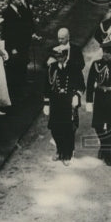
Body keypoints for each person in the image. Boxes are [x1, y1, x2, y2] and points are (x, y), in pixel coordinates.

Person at [43, 28, 86, 165]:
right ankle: (59, 150)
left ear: (66, 56)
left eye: (61, 57)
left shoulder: (73, 67)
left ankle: (67, 153)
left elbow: (81, 84)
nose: (59, 60)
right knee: (55, 128)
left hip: (68, 101)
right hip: (56, 102)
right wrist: (46, 103)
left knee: (68, 128)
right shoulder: (53, 68)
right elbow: (47, 85)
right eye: (57, 57)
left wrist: (77, 96)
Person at [87, 41, 111, 166]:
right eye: (105, 52)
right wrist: (89, 101)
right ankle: (104, 147)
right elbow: (89, 84)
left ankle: (107, 153)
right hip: (99, 96)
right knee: (98, 125)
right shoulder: (96, 64)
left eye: (109, 53)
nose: (107, 55)